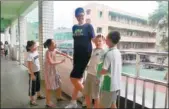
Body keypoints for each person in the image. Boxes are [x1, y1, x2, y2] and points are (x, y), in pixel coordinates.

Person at [65, 7, 95, 108]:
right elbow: (76, 41)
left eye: (82, 15)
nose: (80, 17)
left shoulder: (89, 26)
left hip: (85, 54)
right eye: (78, 16)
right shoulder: (74, 27)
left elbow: (94, 40)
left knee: (73, 77)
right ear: (76, 17)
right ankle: (73, 102)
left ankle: (87, 97)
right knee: (78, 79)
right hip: (76, 54)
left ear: (84, 15)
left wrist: (101, 50)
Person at [44, 39, 72, 108]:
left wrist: (69, 56)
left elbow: (62, 53)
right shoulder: (48, 52)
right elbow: (51, 62)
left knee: (59, 82)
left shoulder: (54, 50)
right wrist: (61, 62)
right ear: (50, 46)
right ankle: (48, 102)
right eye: (54, 43)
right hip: (49, 72)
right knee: (49, 88)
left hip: (54, 70)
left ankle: (59, 97)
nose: (56, 44)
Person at [99, 31, 122, 108]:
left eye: (106, 38)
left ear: (109, 40)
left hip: (109, 85)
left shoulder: (109, 54)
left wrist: (98, 71)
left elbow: (103, 71)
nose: (105, 40)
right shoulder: (117, 52)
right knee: (113, 105)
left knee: (102, 106)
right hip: (116, 84)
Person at [84, 34, 105, 108]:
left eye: (100, 41)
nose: (98, 42)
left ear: (104, 42)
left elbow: (105, 67)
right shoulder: (93, 50)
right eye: (96, 41)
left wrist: (100, 77)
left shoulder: (104, 52)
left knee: (96, 96)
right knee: (86, 93)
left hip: (96, 76)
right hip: (89, 74)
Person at [26, 40, 45, 106]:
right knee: (32, 87)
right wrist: (32, 74)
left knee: (38, 84)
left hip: (37, 71)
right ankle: (32, 100)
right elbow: (29, 66)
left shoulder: (35, 51)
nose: (35, 47)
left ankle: (39, 95)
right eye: (34, 46)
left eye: (35, 45)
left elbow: (38, 45)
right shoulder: (29, 55)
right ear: (29, 48)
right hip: (32, 73)